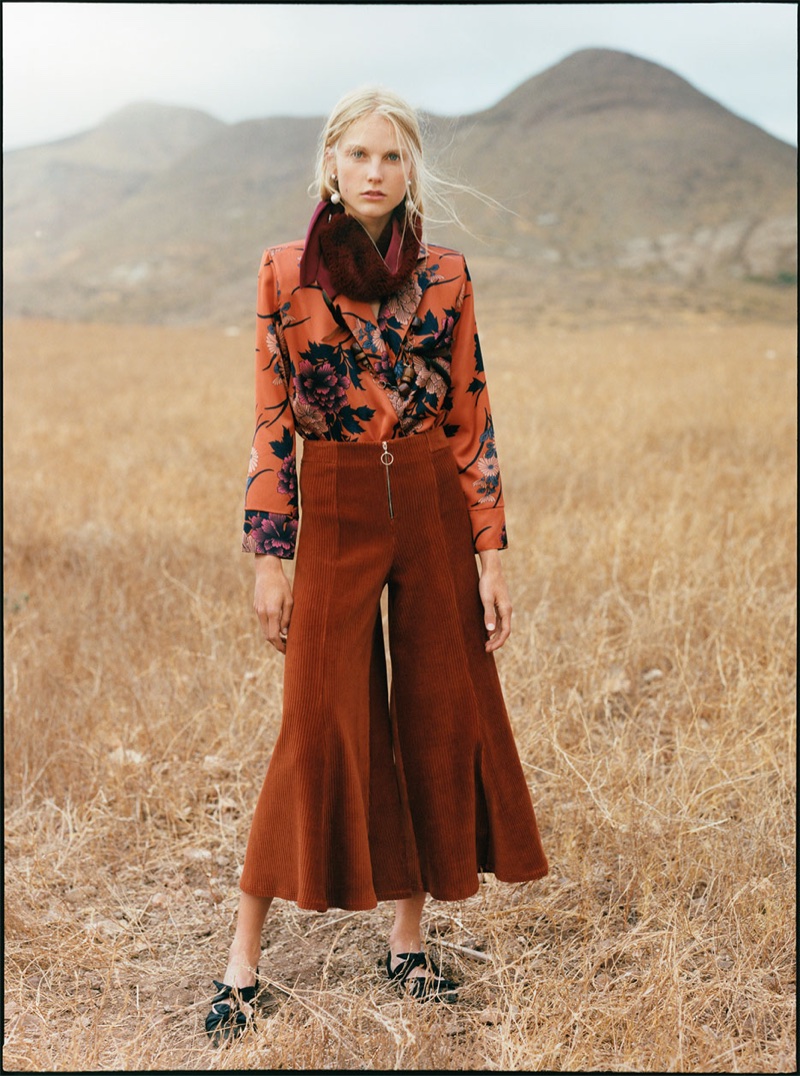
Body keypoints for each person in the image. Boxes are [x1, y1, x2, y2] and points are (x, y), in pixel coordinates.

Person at [205, 86, 548, 1043]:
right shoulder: (285, 273)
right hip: (341, 504)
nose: (374, 171)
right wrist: (269, 555)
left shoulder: (446, 272)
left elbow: (473, 412)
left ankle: (408, 944)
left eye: (391, 158)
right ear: (330, 164)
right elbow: (273, 420)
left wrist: (492, 551)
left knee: (437, 716)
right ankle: (242, 966)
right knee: (312, 722)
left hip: (433, 496)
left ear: (410, 171)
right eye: (358, 155)